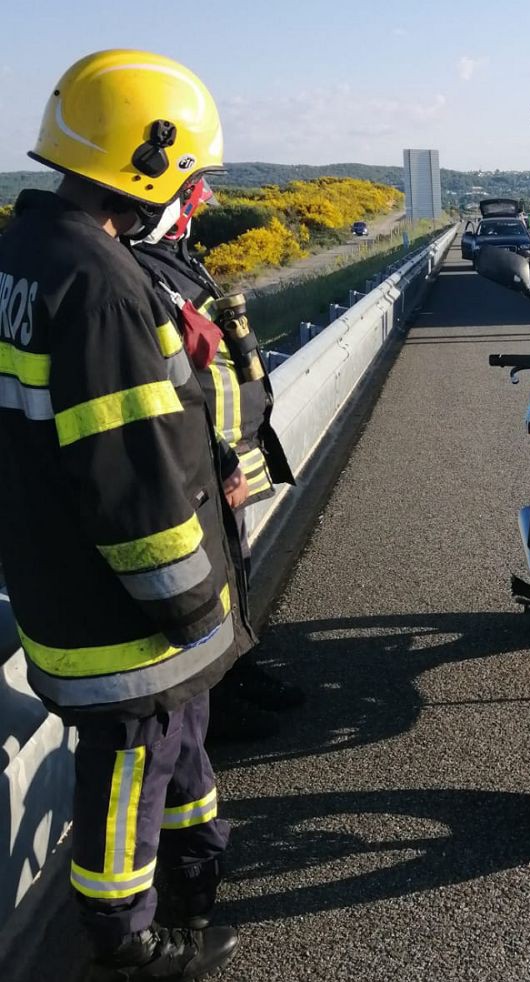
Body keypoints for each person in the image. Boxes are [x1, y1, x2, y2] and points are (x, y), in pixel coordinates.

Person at [0, 50, 247, 980]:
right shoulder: (102, 286)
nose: (196, 190)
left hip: (54, 578)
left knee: (171, 748)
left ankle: (194, 872)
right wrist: (190, 604)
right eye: (191, 170)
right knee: (134, 767)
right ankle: (130, 945)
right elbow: (134, 478)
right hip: (125, 617)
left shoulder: (24, 256)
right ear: (148, 163)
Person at [134, 186, 301, 743]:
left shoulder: (174, 258)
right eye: (189, 197)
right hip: (202, 461)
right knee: (213, 577)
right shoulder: (140, 265)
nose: (195, 209)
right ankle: (220, 697)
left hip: (229, 452)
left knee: (237, 567)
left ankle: (239, 667)